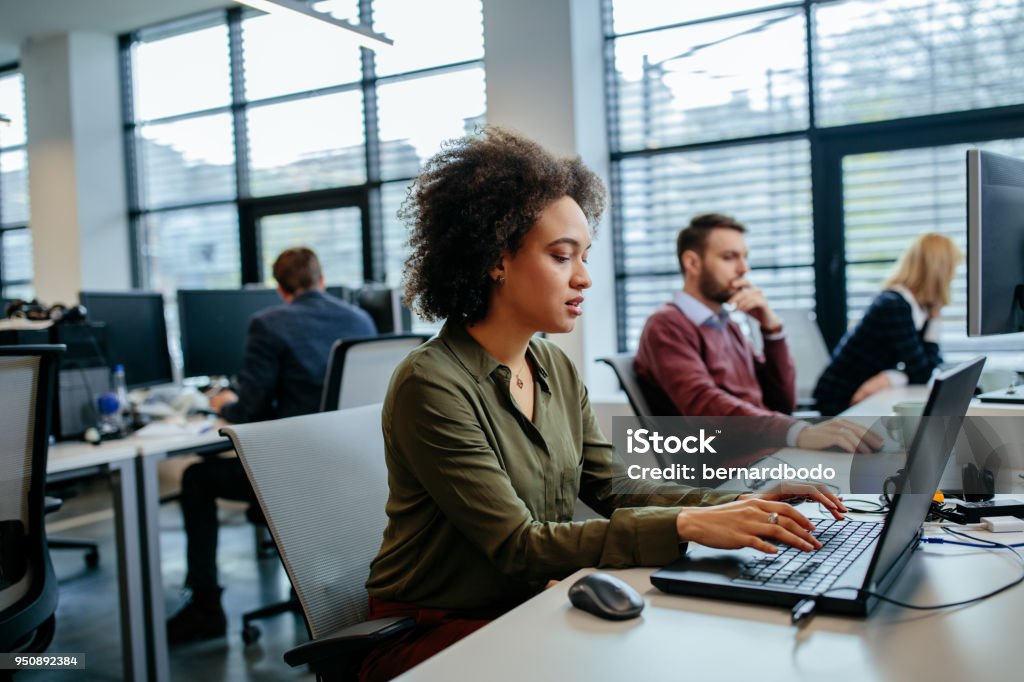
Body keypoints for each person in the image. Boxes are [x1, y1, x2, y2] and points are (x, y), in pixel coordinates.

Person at [357, 128, 847, 682]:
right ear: (496, 259)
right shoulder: (432, 382)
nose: (584, 277)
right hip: (431, 632)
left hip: (524, 604)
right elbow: (519, 545)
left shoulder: (555, 367)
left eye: (584, 256)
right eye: (562, 256)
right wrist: (691, 523)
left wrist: (742, 499)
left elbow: (614, 487)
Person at [166, 247, 376, 644]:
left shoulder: (268, 323)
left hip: (294, 475)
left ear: (280, 288)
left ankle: (206, 608)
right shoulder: (359, 318)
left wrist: (224, 402)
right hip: (353, 469)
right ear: (322, 279)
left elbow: (249, 409)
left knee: (197, 477)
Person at [634, 213, 881, 454]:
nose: (744, 268)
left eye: (745, 257)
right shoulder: (666, 325)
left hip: (767, 452)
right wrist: (798, 432)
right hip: (731, 469)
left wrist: (772, 330)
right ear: (692, 263)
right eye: (730, 257)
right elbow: (705, 407)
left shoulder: (726, 324)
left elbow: (782, 403)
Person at [813, 233, 962, 416]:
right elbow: (921, 373)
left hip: (864, 394)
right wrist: (893, 376)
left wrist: (934, 317)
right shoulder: (893, 305)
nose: (952, 278)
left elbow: (930, 366)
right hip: (841, 398)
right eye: (952, 271)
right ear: (939, 273)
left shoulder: (916, 309)